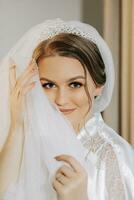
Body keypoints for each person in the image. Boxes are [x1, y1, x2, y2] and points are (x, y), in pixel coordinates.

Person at [0, 18, 134, 200]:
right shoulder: (27, 138)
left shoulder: (113, 156)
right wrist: (17, 126)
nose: (61, 100)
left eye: (75, 84)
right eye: (48, 85)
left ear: (98, 86)